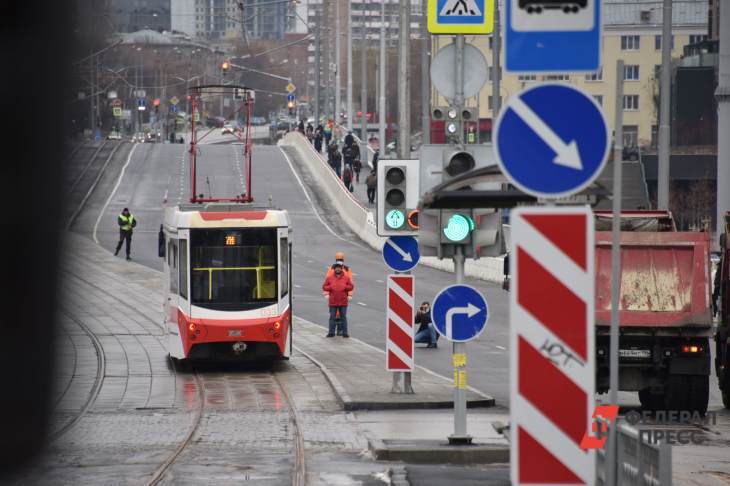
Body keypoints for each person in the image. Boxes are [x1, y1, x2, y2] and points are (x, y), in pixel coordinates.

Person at [323, 252, 355, 335]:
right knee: (333, 316)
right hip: (333, 298)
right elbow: (327, 282)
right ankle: (332, 332)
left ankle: (341, 330)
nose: (339, 261)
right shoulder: (331, 269)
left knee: (342, 316)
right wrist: (327, 293)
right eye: (338, 259)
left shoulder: (347, 270)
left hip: (343, 298)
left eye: (340, 259)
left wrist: (350, 294)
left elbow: (350, 283)